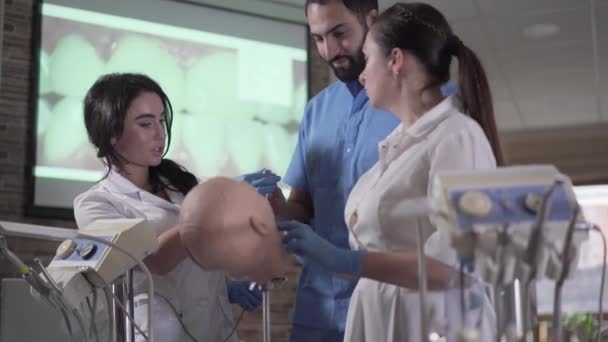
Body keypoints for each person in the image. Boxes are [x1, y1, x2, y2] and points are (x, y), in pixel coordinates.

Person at [279, 2, 503, 341]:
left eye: (368, 59)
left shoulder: (458, 137)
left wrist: (345, 261)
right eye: (318, 38)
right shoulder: (399, 143)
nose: (363, 73)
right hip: (379, 318)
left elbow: (458, 268)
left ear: (395, 60)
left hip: (430, 325)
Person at [73, 73, 268, 342]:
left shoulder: (183, 184)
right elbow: (153, 261)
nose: (159, 133)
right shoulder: (96, 204)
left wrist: (227, 287)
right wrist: (212, 202)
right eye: (145, 123)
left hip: (214, 330)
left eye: (161, 120)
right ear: (112, 133)